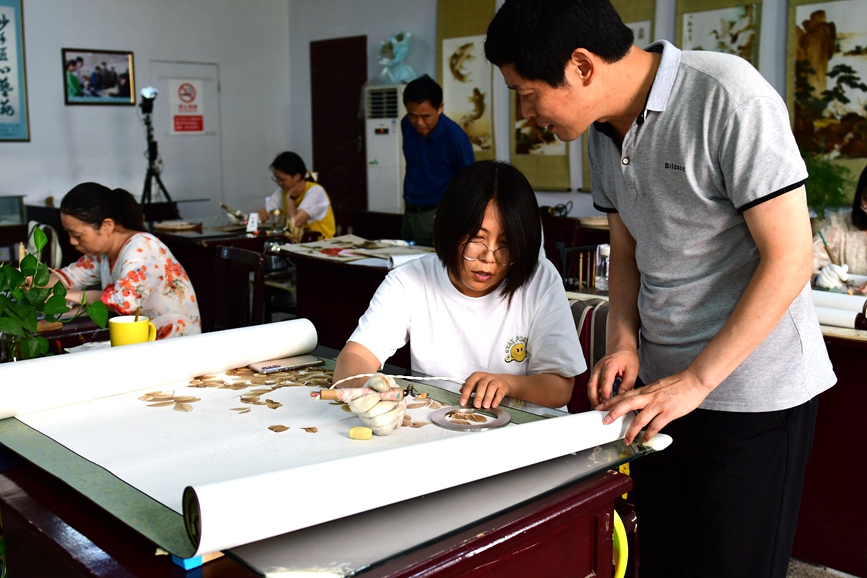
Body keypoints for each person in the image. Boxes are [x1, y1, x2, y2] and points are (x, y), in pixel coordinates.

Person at [484, 2, 835, 577]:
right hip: (659, 395)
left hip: (752, 395)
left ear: (580, 66)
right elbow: (626, 252)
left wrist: (696, 381)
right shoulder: (602, 133)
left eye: (526, 93)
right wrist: (624, 342)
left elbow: (791, 258)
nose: (526, 113)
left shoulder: (727, 95)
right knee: (666, 560)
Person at [333, 160, 585, 433]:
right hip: (443, 432)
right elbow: (355, 356)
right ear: (450, 229)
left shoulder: (539, 280)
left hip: (528, 436)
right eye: (477, 239)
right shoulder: (409, 281)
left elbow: (561, 388)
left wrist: (509, 384)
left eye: (506, 245)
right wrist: (366, 388)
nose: (489, 258)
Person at [52, 183, 201, 339]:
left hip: (175, 342)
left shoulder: (141, 248)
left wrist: (74, 295)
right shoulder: (102, 253)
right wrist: (34, 282)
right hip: (141, 336)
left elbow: (123, 302)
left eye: (77, 235)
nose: (72, 242)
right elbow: (68, 277)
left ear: (107, 226)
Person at [401, 74, 475, 247]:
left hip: (438, 215)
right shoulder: (406, 124)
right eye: (412, 115)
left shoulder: (455, 138)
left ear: (440, 108)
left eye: (426, 116)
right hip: (409, 212)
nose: (419, 122)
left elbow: (471, 185)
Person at [812, 165, 867, 293]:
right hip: (847, 309)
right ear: (862, 198)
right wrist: (817, 279)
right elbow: (799, 270)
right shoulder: (839, 225)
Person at [257, 151, 335, 240]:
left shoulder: (315, 192)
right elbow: (266, 214)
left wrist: (290, 197)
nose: (278, 183)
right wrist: (260, 215)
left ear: (297, 176)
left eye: (282, 180)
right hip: (296, 245)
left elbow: (294, 224)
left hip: (320, 246)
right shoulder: (282, 191)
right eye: (276, 179)